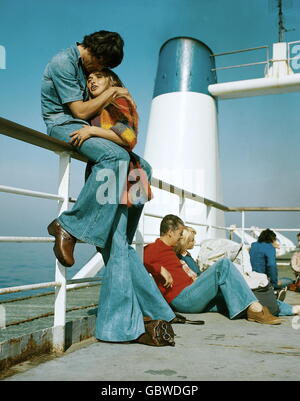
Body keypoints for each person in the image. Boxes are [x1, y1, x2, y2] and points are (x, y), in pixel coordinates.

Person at [41, 31, 176, 343]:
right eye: (95, 72)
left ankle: (155, 309)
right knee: (115, 240)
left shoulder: (97, 81)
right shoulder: (66, 64)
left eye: (99, 75)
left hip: (93, 141)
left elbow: (126, 135)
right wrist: (113, 90)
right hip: (67, 126)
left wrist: (99, 120)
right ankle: (71, 227)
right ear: (99, 57)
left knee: (143, 172)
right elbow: (79, 113)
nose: (92, 78)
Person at [143, 215, 282, 325]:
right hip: (183, 298)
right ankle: (256, 311)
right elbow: (138, 262)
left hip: (193, 292)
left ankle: (286, 308)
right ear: (170, 232)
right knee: (223, 265)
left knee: (233, 295)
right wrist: (159, 269)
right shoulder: (153, 248)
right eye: (179, 233)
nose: (180, 237)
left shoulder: (172, 251)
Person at [176, 226, 300, 317]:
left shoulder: (185, 256)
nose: (195, 242)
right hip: (198, 293)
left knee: (242, 291)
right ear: (184, 242)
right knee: (286, 281)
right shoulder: (181, 258)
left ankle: (283, 305)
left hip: (201, 291)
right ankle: (282, 305)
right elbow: (272, 266)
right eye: (191, 240)